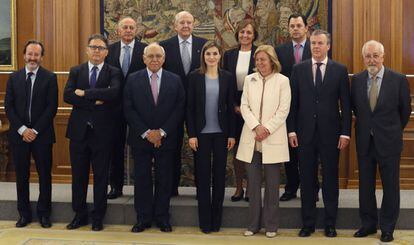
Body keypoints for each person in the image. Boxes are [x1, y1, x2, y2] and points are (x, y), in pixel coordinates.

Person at [287, 29, 351, 238]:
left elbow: (346, 104)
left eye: (320, 43)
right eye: (313, 43)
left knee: (330, 180)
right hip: (304, 134)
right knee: (307, 179)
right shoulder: (298, 69)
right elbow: (293, 104)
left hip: (331, 135)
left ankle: (330, 224)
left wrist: (345, 133)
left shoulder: (340, 70)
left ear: (328, 46)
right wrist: (292, 130)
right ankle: (308, 223)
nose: (316, 47)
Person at [351, 40, 411, 243]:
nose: (372, 60)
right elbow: (356, 110)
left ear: (383, 57)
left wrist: (391, 131)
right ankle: (367, 225)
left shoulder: (398, 79)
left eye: (375, 55)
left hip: (389, 142)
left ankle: (387, 228)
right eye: (368, 56)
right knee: (365, 186)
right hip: (364, 143)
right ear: (363, 58)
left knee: (390, 186)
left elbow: (405, 111)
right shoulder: (357, 80)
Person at [124, 43, 185, 233]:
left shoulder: (175, 80)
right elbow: (128, 108)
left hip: (166, 138)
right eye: (150, 56)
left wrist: (162, 132)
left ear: (164, 59)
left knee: (164, 179)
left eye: (158, 56)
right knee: (142, 179)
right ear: (144, 58)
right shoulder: (133, 79)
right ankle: (143, 218)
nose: (155, 59)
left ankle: (162, 217)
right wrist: (147, 133)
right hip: (141, 138)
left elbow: (179, 108)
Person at [64, 34, 121, 231]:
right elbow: (68, 95)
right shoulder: (76, 70)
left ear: (106, 52)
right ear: (87, 50)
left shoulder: (113, 71)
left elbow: (114, 93)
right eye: (93, 47)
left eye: (100, 48)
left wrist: (86, 93)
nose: (96, 51)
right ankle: (79, 215)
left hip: (103, 134)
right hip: (79, 133)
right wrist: (96, 100)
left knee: (101, 177)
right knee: (78, 176)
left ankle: (98, 217)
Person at [237, 45, 291, 238]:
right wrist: (255, 127)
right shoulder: (249, 80)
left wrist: (266, 128)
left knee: (272, 185)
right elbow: (244, 106)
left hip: (272, 137)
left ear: (272, 60)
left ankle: (271, 226)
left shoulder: (283, 81)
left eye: (263, 59)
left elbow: (283, 110)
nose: (259, 63)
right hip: (251, 137)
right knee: (252, 185)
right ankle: (253, 225)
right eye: (257, 60)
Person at [5, 40, 58, 228]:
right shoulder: (14, 78)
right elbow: (9, 107)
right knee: (21, 175)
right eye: (30, 54)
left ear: (41, 57)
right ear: (24, 55)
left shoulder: (50, 78)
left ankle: (44, 214)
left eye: (36, 54)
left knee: (45, 175)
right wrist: (22, 130)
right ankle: (24, 214)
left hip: (41, 135)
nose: (33, 58)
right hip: (19, 136)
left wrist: (34, 130)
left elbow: (51, 108)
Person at [187, 41, 236, 233]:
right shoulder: (194, 77)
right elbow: (189, 109)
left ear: (219, 56)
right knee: (203, 177)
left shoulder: (227, 77)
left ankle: (216, 221)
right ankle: (205, 223)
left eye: (215, 54)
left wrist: (232, 134)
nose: (212, 57)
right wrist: (191, 134)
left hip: (222, 134)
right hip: (201, 134)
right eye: (208, 54)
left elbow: (231, 109)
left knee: (219, 178)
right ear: (203, 57)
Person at [160, 11, 207, 196]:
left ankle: (201, 189)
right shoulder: (164, 46)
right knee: (172, 146)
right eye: (182, 22)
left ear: (194, 24)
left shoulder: (204, 45)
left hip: (199, 105)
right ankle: (172, 188)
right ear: (175, 25)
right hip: (172, 106)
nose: (185, 25)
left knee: (201, 148)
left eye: (189, 22)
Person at [275, 13, 317, 202]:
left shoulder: (316, 48)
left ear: (306, 27)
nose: (295, 29)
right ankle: (291, 187)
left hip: (311, 109)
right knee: (290, 152)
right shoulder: (280, 51)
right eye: (292, 26)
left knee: (311, 152)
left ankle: (312, 188)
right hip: (287, 107)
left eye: (299, 25)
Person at [105, 16, 147, 200]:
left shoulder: (145, 50)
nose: (128, 30)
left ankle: (143, 187)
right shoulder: (110, 50)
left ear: (136, 30)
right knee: (114, 147)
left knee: (142, 149)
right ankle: (116, 186)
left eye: (132, 27)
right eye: (125, 27)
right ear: (118, 31)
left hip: (140, 109)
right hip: (114, 109)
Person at [223, 19, 257, 202]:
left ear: (254, 35)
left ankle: (252, 188)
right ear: (237, 34)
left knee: (252, 150)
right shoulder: (229, 55)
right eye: (242, 32)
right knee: (236, 150)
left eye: (249, 32)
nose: (245, 35)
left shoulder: (259, 53)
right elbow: (225, 83)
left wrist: (249, 108)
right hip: (234, 109)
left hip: (255, 109)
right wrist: (235, 106)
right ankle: (238, 188)